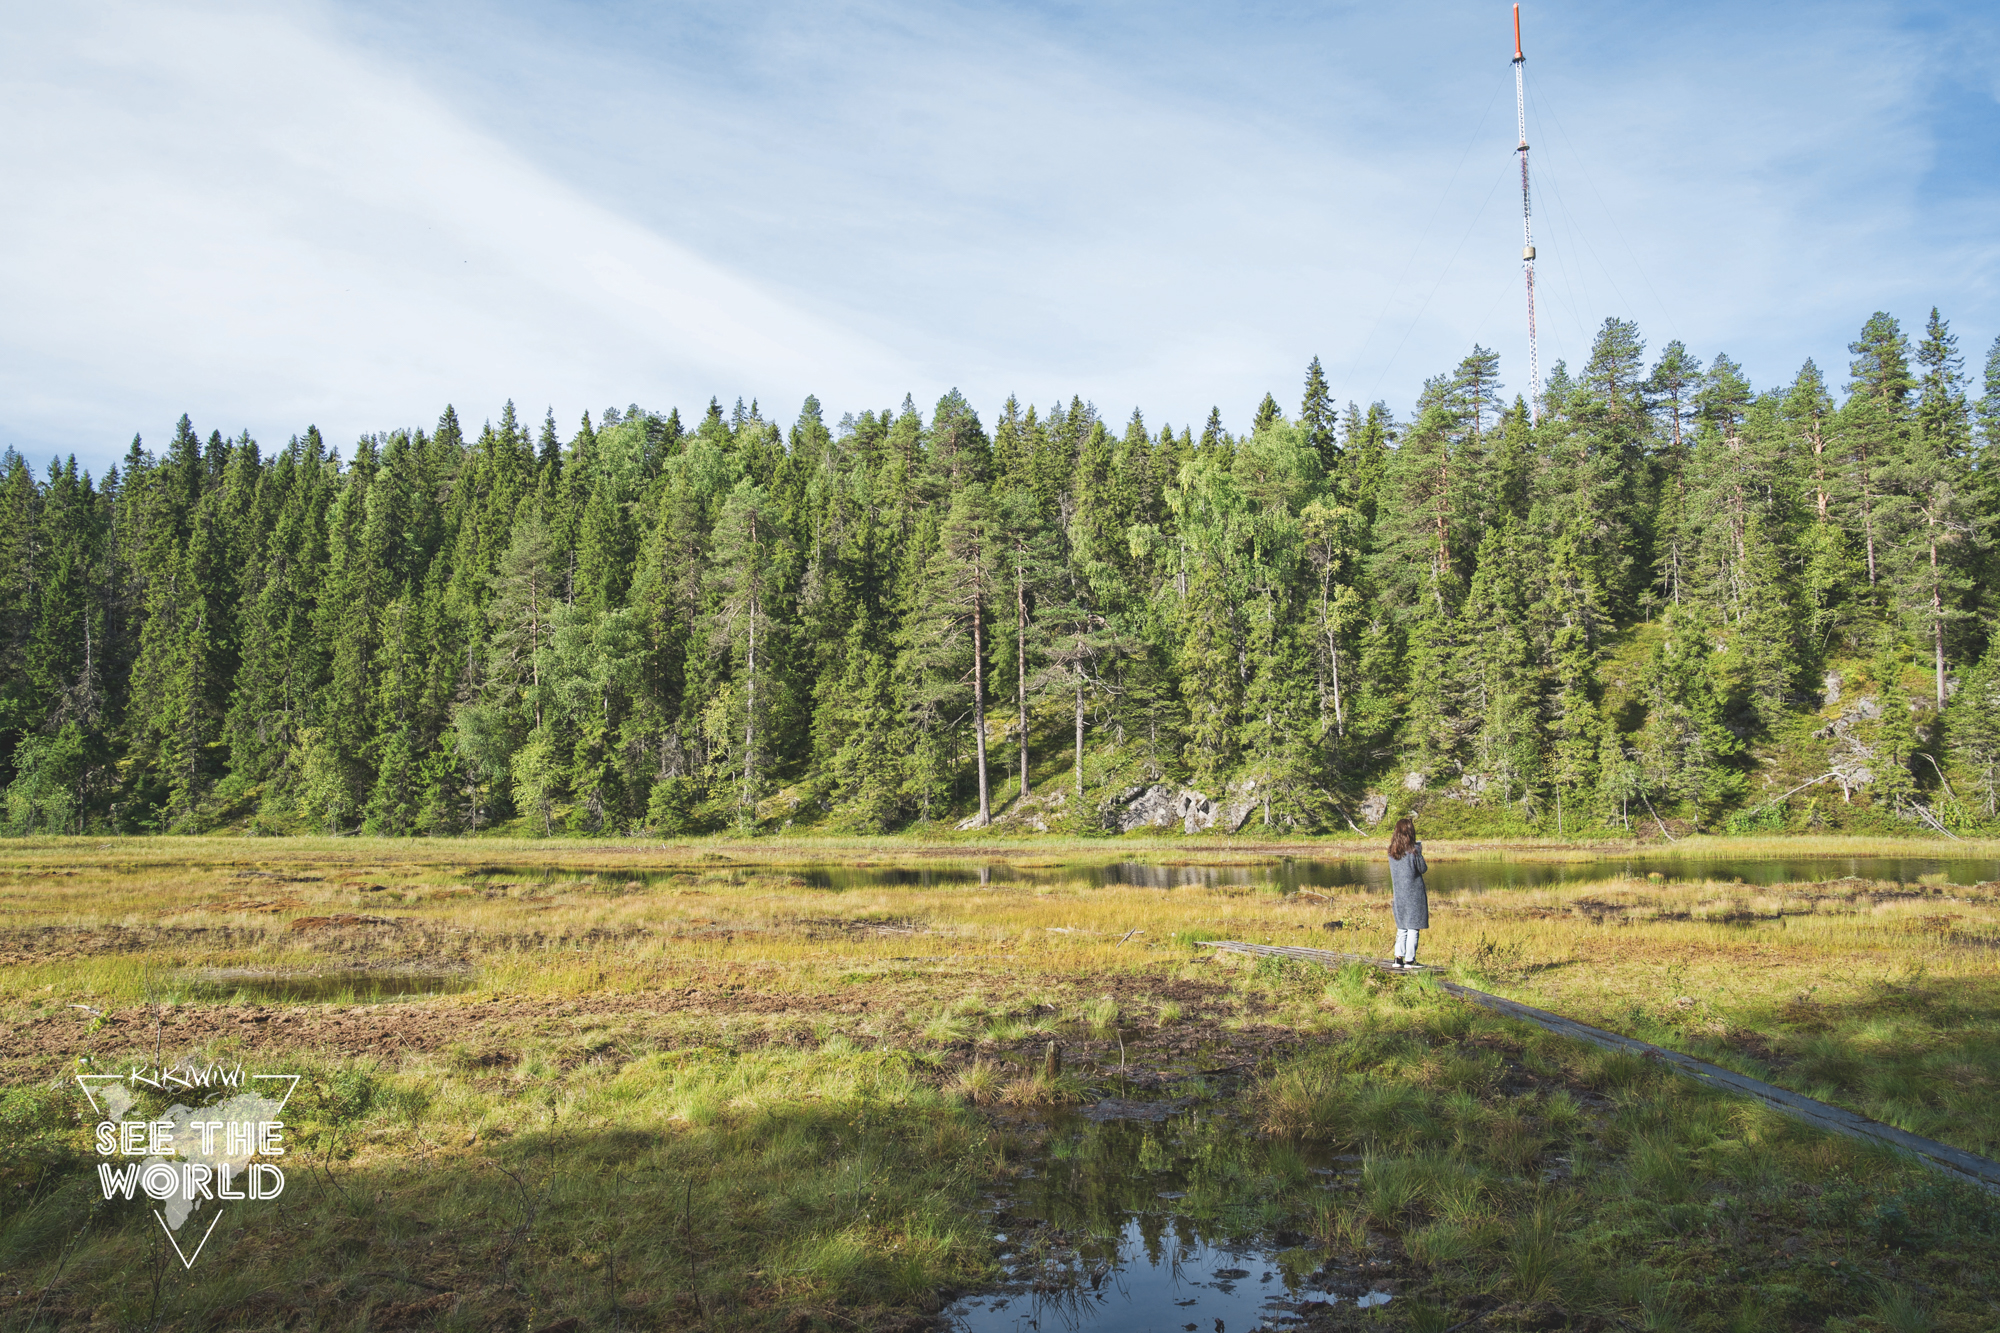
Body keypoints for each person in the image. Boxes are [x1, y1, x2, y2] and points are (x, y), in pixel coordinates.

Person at [1386, 816, 1428, 969]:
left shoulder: (1391, 852)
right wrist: (1420, 851)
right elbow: (1423, 869)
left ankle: (1398, 958)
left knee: (1402, 928)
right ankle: (1410, 960)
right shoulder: (1414, 851)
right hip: (1414, 895)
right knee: (1413, 928)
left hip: (1399, 894)